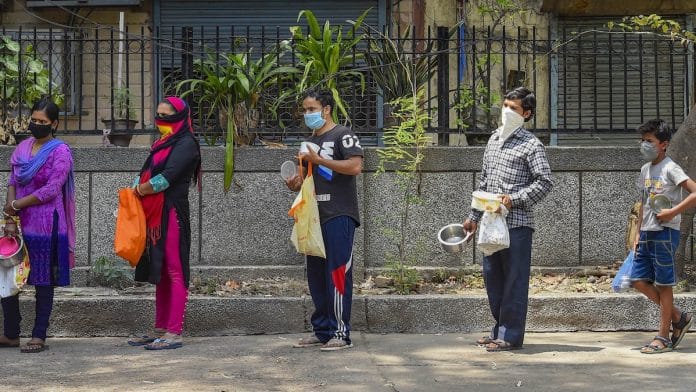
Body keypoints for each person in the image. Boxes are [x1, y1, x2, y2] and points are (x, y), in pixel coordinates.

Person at [463, 87, 552, 352]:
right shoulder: (493, 141)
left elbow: (545, 181)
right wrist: (472, 217)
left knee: (514, 280)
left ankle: (510, 335)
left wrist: (515, 198)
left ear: (526, 114)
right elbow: (485, 182)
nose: (506, 112)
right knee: (493, 279)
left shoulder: (532, 145)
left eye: (513, 108)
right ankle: (498, 330)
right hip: (491, 223)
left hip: (517, 224)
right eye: (504, 106)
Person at [285, 89, 363, 351]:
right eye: (305, 110)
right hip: (313, 217)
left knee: (338, 273)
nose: (308, 114)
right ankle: (322, 329)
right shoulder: (306, 143)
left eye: (312, 109)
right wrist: (294, 182)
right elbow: (301, 180)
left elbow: (355, 167)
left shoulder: (343, 135)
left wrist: (318, 159)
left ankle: (341, 333)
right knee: (316, 276)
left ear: (326, 109)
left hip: (339, 214)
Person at [1, 98, 76, 353]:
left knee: (43, 280)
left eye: (42, 122)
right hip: (20, 223)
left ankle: (38, 335)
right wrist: (10, 216)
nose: (36, 124)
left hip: (47, 222)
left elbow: (52, 189)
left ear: (54, 124)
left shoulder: (60, 151)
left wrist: (19, 204)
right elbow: (12, 180)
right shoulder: (22, 148)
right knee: (8, 276)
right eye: (34, 120)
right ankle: (11, 333)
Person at [126, 96, 201, 350]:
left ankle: (174, 332)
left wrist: (140, 190)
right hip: (155, 214)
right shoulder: (162, 143)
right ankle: (159, 329)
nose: (161, 120)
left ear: (180, 117)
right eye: (158, 114)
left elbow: (167, 178)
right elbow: (146, 172)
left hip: (172, 212)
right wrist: (136, 189)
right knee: (160, 273)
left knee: (175, 270)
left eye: (167, 115)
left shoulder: (187, 143)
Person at [631, 119, 696, 354]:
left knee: (663, 284)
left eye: (649, 141)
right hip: (647, 232)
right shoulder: (645, 169)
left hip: (666, 233)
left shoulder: (671, 167)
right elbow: (644, 203)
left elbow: (694, 191)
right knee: (637, 280)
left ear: (664, 144)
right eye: (642, 140)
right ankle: (678, 316)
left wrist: (673, 212)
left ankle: (663, 337)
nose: (643, 145)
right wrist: (637, 234)